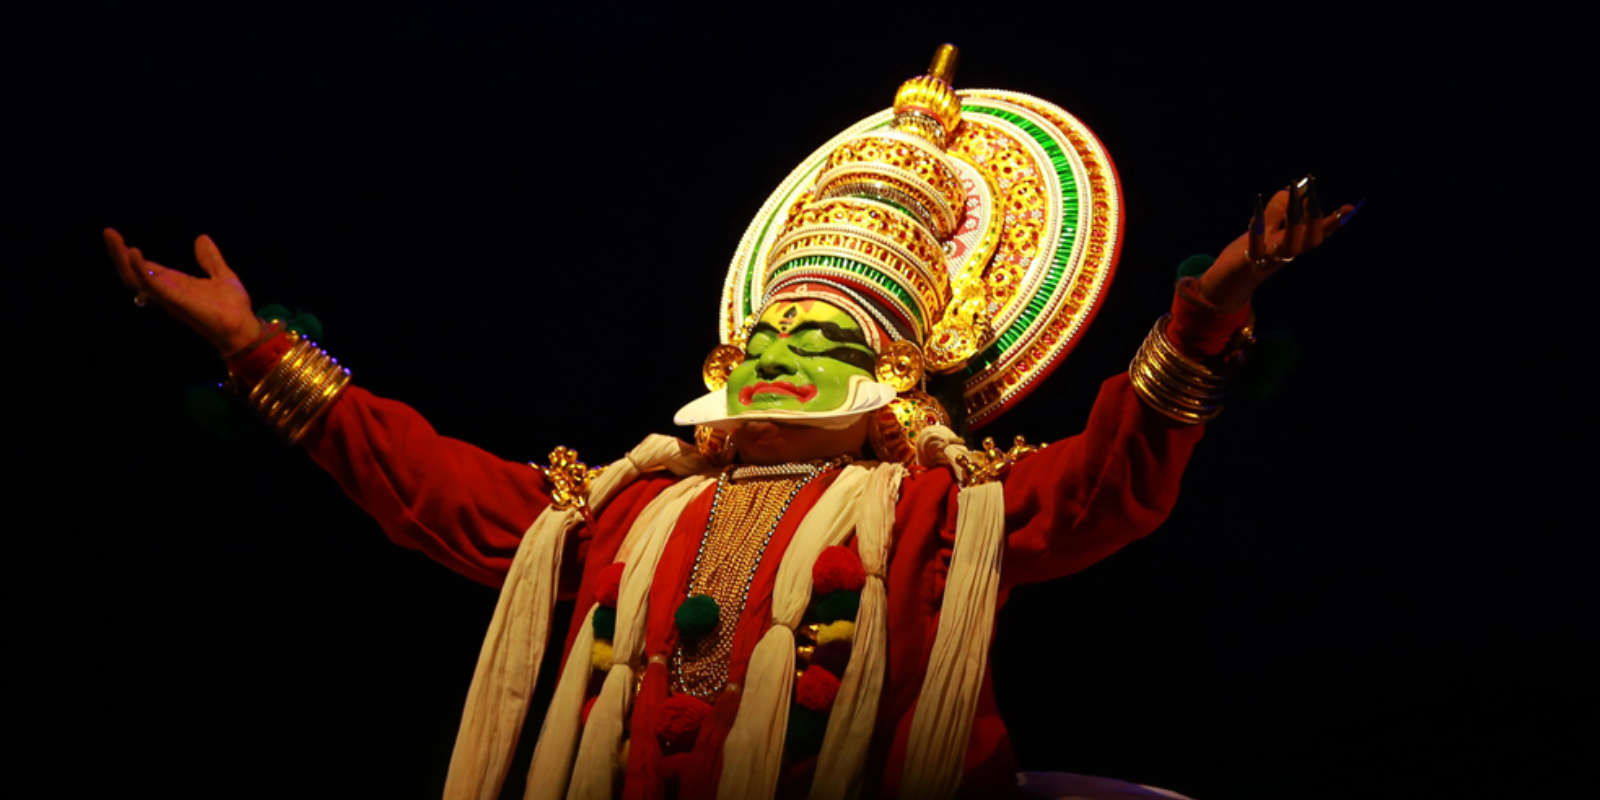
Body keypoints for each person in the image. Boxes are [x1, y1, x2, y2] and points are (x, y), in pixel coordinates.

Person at [104, 45, 1353, 800]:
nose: (773, 355)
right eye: (761, 335)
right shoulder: (624, 508)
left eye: (816, 339)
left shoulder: (940, 512)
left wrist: (1207, 308)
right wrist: (253, 345)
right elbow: (428, 487)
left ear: (900, 373)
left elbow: (1108, 487)